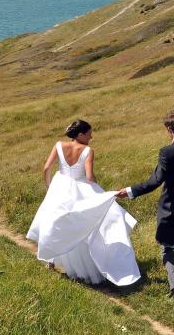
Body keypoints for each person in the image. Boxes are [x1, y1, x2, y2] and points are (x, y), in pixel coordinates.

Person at [27, 119, 140, 286]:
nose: (91, 137)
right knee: (79, 224)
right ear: (80, 134)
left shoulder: (59, 145)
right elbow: (89, 177)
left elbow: (46, 168)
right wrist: (100, 192)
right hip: (79, 189)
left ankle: (50, 260)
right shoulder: (87, 150)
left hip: (59, 186)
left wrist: (49, 187)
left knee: (54, 222)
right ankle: (84, 265)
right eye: (89, 134)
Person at [116, 111, 174, 296]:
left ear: (169, 129)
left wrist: (129, 191)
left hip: (171, 208)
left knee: (168, 247)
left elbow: (154, 181)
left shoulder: (167, 153)